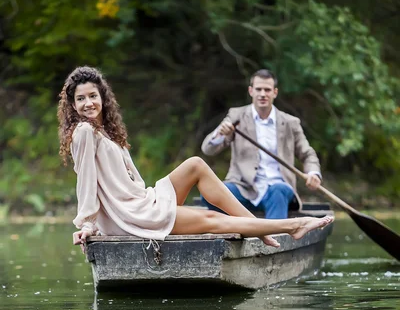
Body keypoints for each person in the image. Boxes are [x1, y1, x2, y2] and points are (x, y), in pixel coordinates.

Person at [57, 66, 332, 252]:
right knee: (210, 217)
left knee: (195, 165)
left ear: (103, 97)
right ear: (72, 104)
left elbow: (130, 181)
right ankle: (292, 225)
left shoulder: (104, 131)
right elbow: (86, 183)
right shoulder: (83, 132)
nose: (88, 103)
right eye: (80, 99)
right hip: (130, 216)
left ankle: (259, 228)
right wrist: (87, 224)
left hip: (141, 202)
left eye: (93, 96)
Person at [201, 68, 322, 219]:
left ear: (275, 92)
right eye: (258, 89)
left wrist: (313, 173)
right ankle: (235, 231)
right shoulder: (236, 115)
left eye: (267, 90)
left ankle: (273, 239)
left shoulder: (291, 122)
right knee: (209, 191)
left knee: (279, 190)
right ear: (251, 91)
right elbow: (208, 149)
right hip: (243, 188)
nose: (263, 94)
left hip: (277, 189)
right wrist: (220, 133)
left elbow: (307, 153)